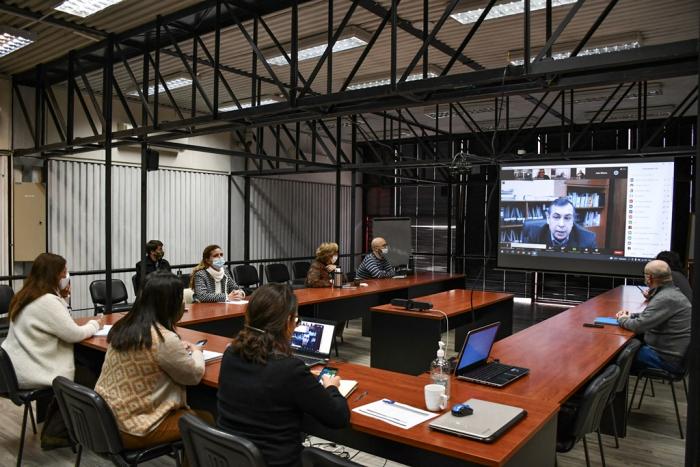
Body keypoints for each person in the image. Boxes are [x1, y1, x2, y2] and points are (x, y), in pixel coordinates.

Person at [217, 284, 350, 466]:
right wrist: (332, 387)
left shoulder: (231, 354)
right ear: (288, 321)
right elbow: (338, 417)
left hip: (233, 458)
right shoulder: (289, 369)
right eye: (296, 319)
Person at [95, 270, 212, 450]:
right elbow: (194, 375)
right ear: (170, 303)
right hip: (132, 427)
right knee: (205, 423)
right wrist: (196, 351)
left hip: (105, 418)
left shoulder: (124, 326)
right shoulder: (164, 339)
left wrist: (178, 346)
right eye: (181, 297)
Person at [1, 253, 103, 389]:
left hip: (15, 369)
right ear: (54, 275)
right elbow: (74, 334)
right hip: (35, 373)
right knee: (93, 366)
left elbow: (60, 322)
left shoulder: (26, 295)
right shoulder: (47, 300)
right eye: (64, 273)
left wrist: (63, 297)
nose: (66, 277)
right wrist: (95, 324)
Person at [616, 260, 691, 374]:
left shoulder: (665, 298)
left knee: (618, 355)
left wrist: (622, 319)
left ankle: (612, 390)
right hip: (672, 354)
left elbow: (638, 326)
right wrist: (631, 315)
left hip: (667, 360)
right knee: (630, 345)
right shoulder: (671, 293)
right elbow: (651, 316)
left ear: (649, 278)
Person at [522, 197, 597, 249]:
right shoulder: (534, 234)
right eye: (556, 217)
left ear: (573, 220)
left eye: (567, 218)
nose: (561, 224)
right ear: (548, 218)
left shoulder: (588, 239)